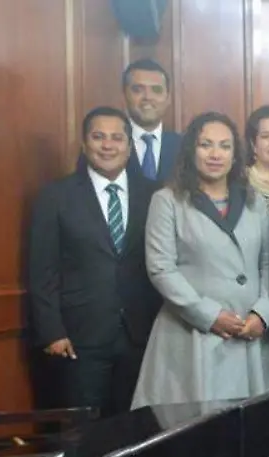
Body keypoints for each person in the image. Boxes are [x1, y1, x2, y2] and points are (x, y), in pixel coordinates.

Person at [131, 112, 269, 408]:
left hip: (250, 332)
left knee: (255, 434)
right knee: (195, 433)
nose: (216, 154)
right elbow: (161, 268)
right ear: (191, 151)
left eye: (225, 146)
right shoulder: (167, 200)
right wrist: (209, 315)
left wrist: (263, 312)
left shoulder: (254, 202)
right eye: (206, 145)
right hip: (193, 335)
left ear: (235, 155)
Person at [27, 106, 161, 415]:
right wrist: (52, 332)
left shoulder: (154, 194)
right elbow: (42, 269)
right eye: (98, 137)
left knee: (138, 430)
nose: (108, 145)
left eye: (117, 138)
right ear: (85, 144)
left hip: (142, 334)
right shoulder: (56, 196)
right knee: (84, 434)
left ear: (129, 146)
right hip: (79, 337)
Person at [121, 59, 182, 182]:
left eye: (157, 90)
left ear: (168, 98)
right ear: (124, 96)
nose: (148, 97)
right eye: (138, 89)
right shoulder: (107, 144)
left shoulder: (184, 146)